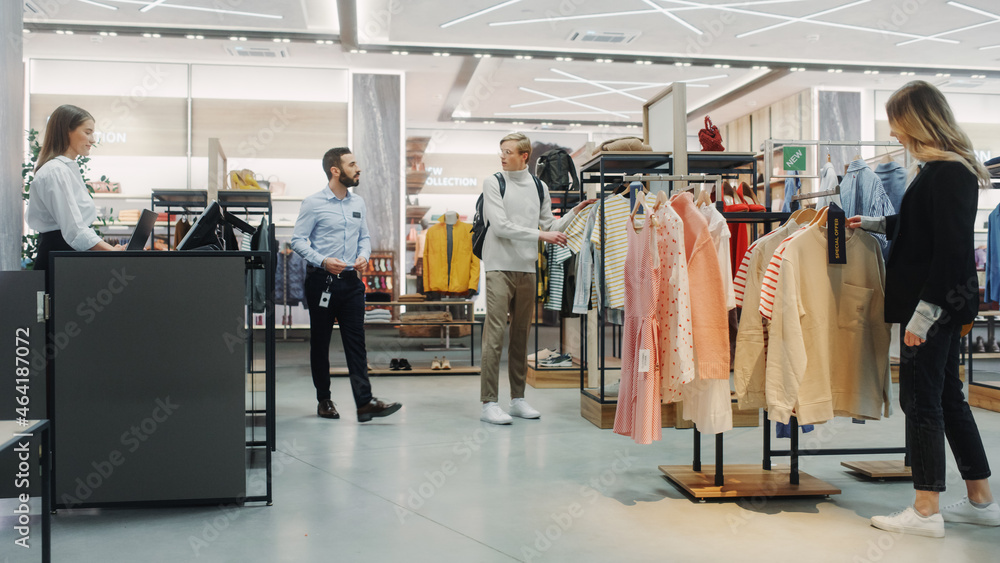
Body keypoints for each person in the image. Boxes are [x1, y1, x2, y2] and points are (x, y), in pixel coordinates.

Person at [849, 81, 997, 537]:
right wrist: (874, 223)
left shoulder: (948, 172)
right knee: (949, 398)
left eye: (896, 123)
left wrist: (925, 315)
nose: (893, 134)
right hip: (935, 303)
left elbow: (952, 252)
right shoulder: (938, 170)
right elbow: (922, 229)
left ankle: (926, 509)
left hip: (933, 305)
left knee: (922, 400)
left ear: (915, 119)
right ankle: (979, 497)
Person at [479, 133, 595, 424]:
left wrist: (573, 213)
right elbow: (501, 226)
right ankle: (488, 403)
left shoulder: (538, 186)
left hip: (527, 269)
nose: (502, 156)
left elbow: (550, 224)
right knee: (494, 337)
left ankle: (517, 399)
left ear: (524, 156)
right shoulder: (494, 182)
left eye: (508, 152)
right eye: (501, 151)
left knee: (521, 336)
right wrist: (542, 235)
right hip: (498, 267)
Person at [291, 147, 401, 422]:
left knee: (357, 342)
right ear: (335, 170)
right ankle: (324, 399)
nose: (358, 168)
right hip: (321, 282)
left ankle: (364, 403)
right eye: (352, 164)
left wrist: (364, 255)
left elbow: (364, 236)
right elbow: (298, 241)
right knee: (320, 342)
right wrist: (323, 260)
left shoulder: (358, 203)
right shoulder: (313, 203)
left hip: (352, 283)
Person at [27, 104, 123, 270]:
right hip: (59, 258)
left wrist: (111, 249)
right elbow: (75, 230)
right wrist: (112, 251)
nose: (93, 140)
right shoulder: (56, 171)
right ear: (66, 132)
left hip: (65, 256)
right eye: (87, 132)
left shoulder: (65, 169)